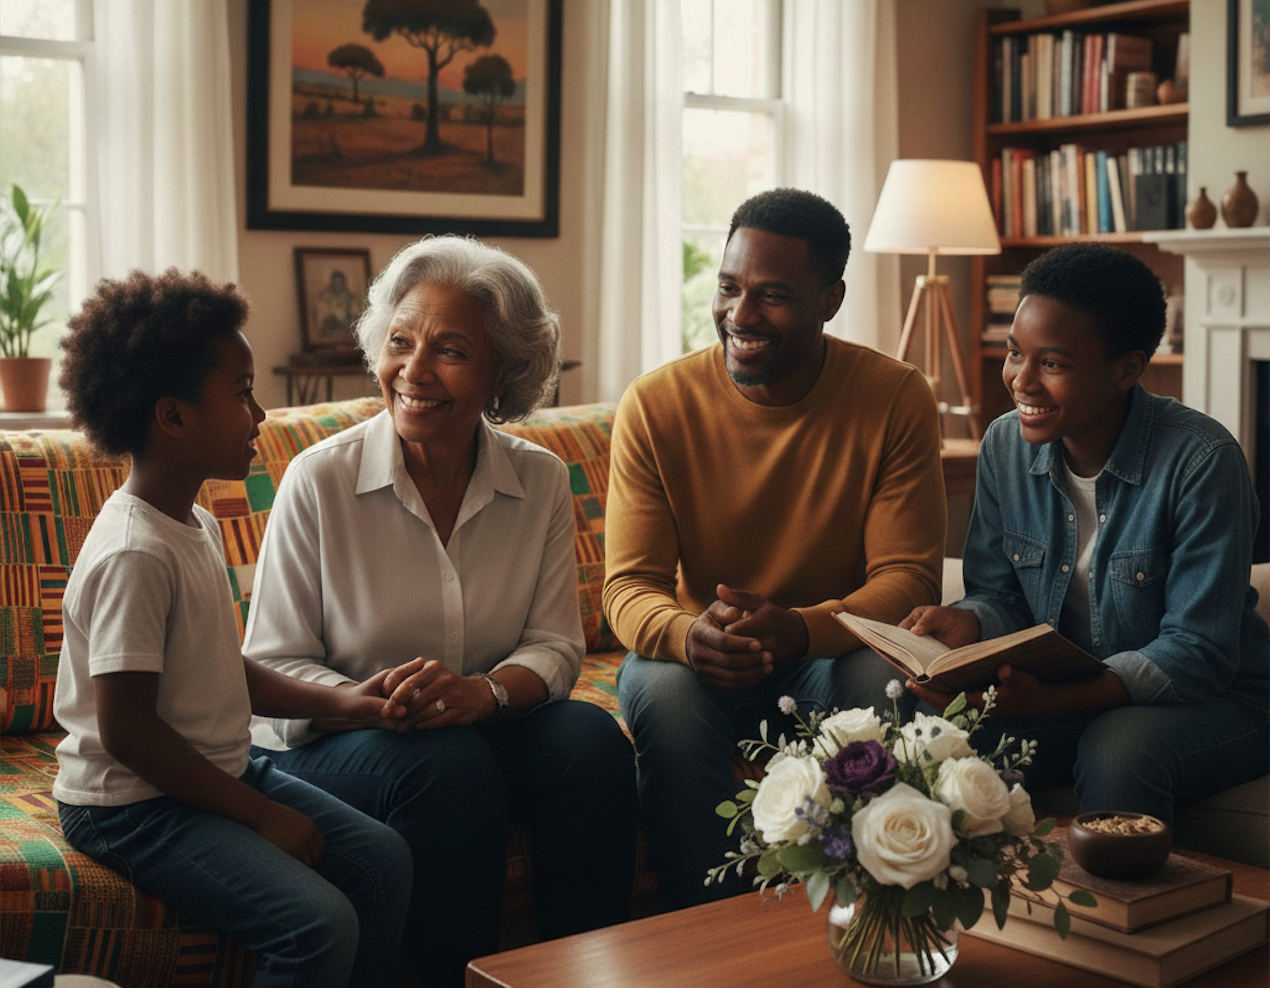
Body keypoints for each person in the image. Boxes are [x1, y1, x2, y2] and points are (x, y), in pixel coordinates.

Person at [243, 236, 638, 987]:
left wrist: (481, 694)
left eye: (450, 350)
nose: (413, 371)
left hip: (472, 728)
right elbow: (269, 666)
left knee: (591, 743)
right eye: (400, 342)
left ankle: (581, 976)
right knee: (446, 769)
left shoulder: (541, 481)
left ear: (503, 374)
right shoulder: (317, 482)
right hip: (339, 742)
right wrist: (368, 704)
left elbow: (555, 646)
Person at [52, 270, 413, 988]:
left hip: (214, 770)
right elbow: (127, 731)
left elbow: (220, 669)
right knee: (320, 923)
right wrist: (258, 815)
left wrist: (347, 701)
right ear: (173, 417)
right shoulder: (134, 552)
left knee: (385, 861)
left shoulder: (194, 524)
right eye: (242, 391)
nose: (262, 414)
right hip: (131, 806)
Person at [603, 188, 946, 909]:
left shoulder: (894, 397)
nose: (740, 314)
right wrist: (686, 633)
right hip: (703, 654)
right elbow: (628, 588)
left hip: (828, 653)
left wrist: (802, 626)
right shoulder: (656, 405)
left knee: (875, 684)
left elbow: (909, 579)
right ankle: (702, 931)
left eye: (773, 296)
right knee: (662, 695)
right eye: (729, 288)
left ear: (831, 299)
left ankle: (870, 913)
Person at [901, 243, 1270, 822]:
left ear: (1128, 368)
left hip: (1221, 702)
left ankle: (1125, 915)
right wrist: (969, 620)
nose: (1021, 382)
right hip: (1074, 694)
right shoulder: (1002, 444)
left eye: (1052, 364)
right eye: (1014, 353)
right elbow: (999, 594)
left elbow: (1198, 654)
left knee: (1118, 751)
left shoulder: (1202, 461)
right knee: (925, 727)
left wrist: (1053, 701)